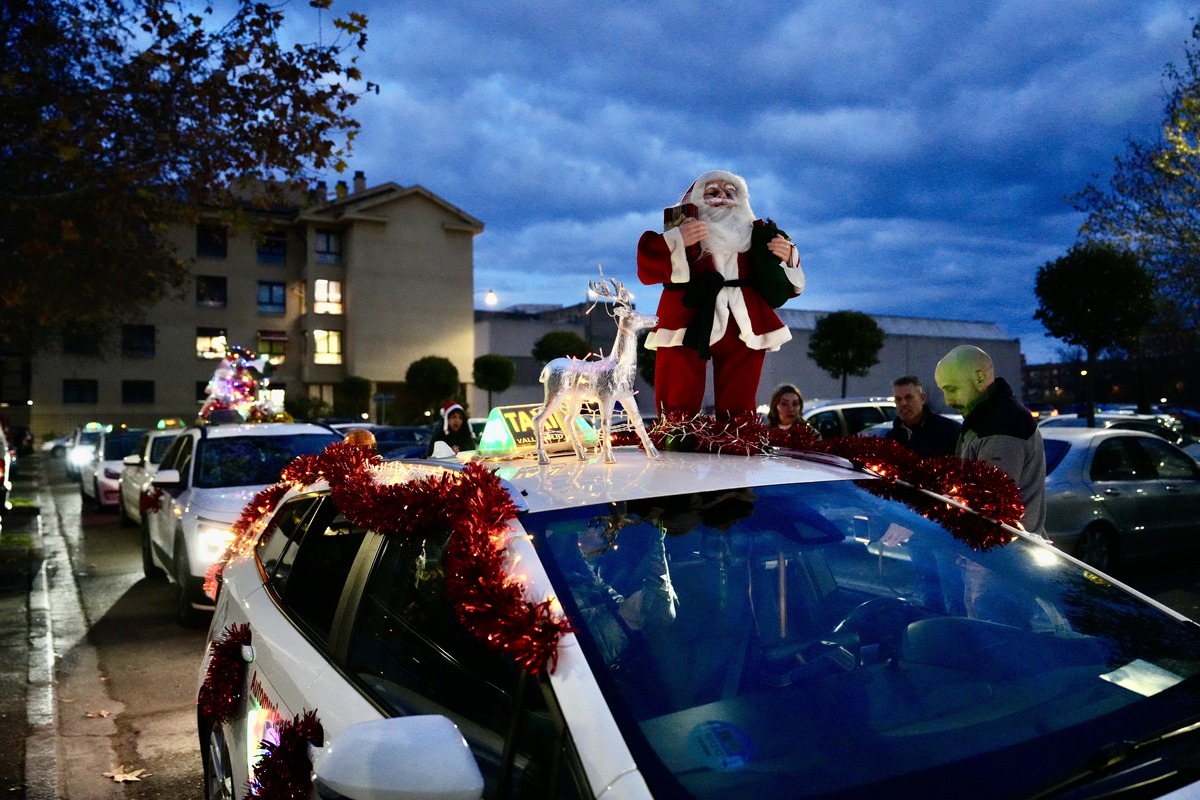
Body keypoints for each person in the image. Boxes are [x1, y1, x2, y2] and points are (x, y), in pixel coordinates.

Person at [637, 170, 806, 418]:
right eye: (713, 192)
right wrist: (676, 239)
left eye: (730, 193)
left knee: (741, 385)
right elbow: (647, 267)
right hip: (689, 315)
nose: (723, 198)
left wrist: (789, 257)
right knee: (679, 378)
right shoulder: (681, 231)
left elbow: (781, 285)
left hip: (744, 316)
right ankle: (676, 431)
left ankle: (737, 435)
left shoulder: (755, 237)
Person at [934, 345, 1046, 534]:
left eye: (951, 389)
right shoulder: (986, 420)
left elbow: (987, 514)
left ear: (979, 379)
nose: (948, 401)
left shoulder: (1002, 428)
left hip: (1003, 557)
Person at [885, 375, 961, 457]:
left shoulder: (949, 431)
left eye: (908, 397)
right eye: (898, 399)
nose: (903, 403)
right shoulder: (892, 438)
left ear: (922, 398)